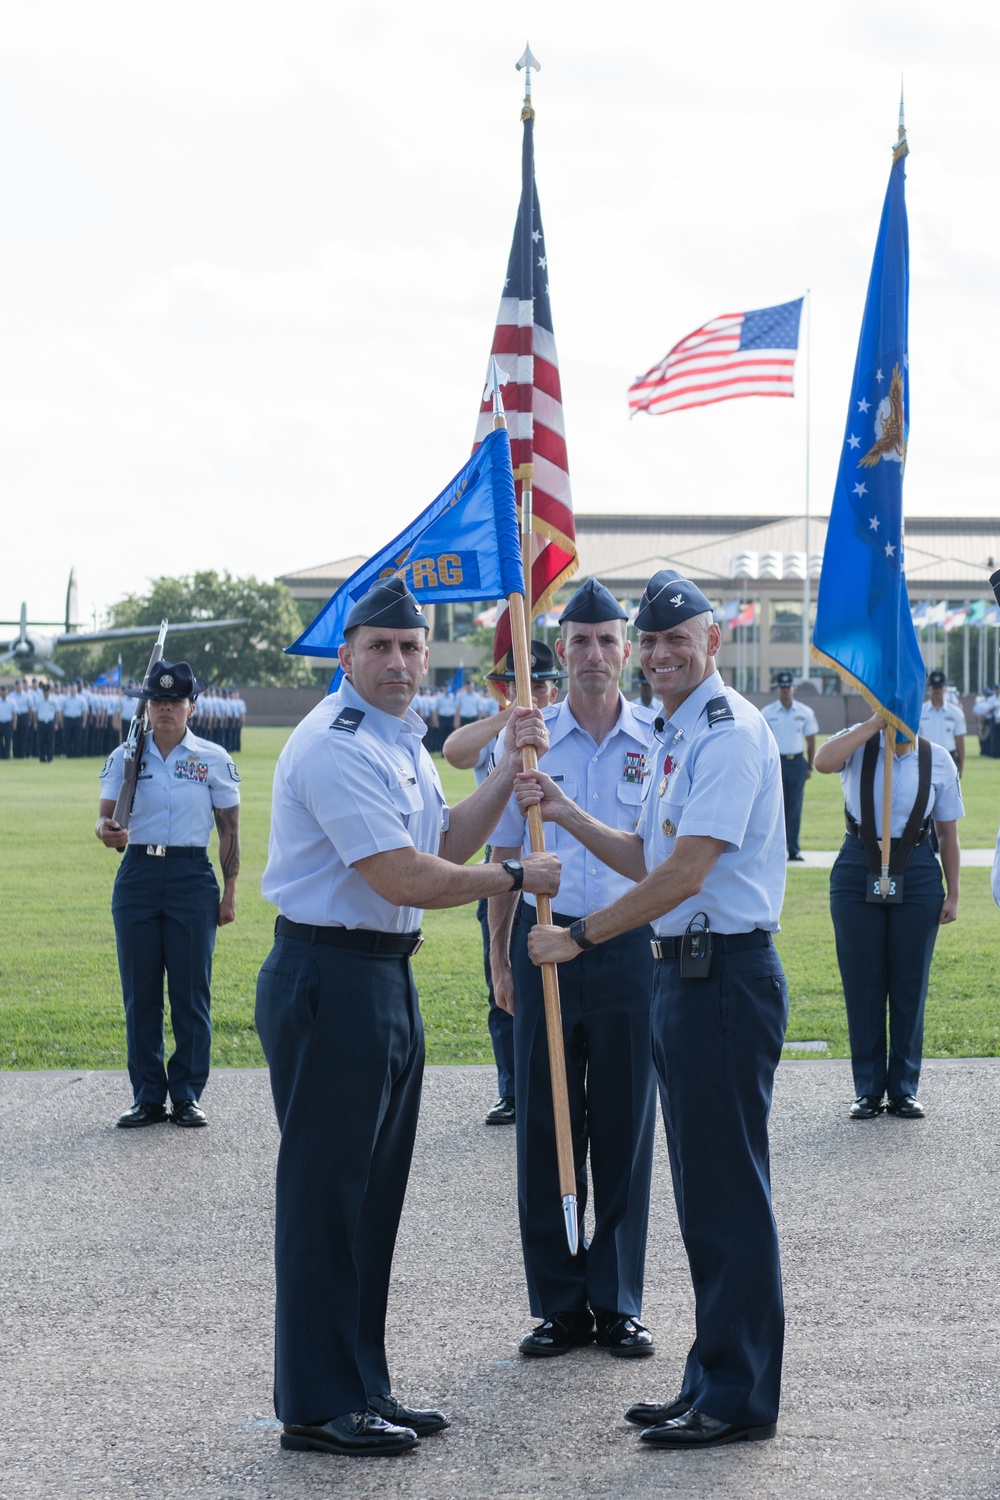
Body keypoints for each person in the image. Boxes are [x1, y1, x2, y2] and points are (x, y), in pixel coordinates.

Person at [254, 576, 559, 1461]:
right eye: (379, 648)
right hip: (329, 977)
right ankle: (316, 1403)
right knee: (325, 1199)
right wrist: (514, 881)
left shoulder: (405, 741)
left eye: (410, 648)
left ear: (428, 656)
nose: (397, 662)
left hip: (381, 978)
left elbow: (445, 842)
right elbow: (404, 879)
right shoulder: (337, 744)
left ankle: (361, 1382)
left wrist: (507, 771)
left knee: (369, 1200)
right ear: (345, 656)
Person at [520, 569, 789, 1447]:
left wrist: (581, 937)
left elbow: (686, 874)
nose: (663, 653)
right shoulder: (677, 736)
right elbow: (647, 853)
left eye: (681, 639)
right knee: (703, 1194)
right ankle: (709, 1376)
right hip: (686, 977)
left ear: (714, 642)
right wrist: (565, 811)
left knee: (728, 1196)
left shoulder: (727, 732)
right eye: (654, 640)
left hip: (723, 977)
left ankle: (738, 1395)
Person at [489, 578, 658, 1361]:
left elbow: (662, 858)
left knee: (622, 1126)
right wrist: (500, 959)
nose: (594, 655)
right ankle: (559, 1305)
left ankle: (617, 1300)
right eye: (580, 641)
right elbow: (499, 859)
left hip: (625, 947)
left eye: (607, 641)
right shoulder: (527, 739)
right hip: (543, 941)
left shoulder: (657, 741)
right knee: (546, 1129)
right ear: (561, 651)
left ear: (627, 652)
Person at [95, 660, 241, 1130]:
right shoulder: (125, 757)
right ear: (147, 706)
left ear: (190, 707)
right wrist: (108, 832)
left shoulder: (213, 759)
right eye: (157, 701)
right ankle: (148, 1097)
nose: (165, 709)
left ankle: (187, 1095)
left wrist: (230, 892)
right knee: (140, 994)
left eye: (174, 701)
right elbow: (103, 819)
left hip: (191, 875)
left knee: (190, 991)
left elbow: (230, 831)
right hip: (137, 872)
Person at [814, 715, 962, 1120]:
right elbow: (822, 762)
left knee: (910, 984)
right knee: (862, 982)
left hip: (916, 869)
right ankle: (867, 1089)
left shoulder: (938, 758)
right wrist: (872, 726)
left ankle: (903, 1089)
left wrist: (954, 892)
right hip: (856, 864)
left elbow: (947, 833)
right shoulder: (856, 747)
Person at [443, 640, 564, 1126]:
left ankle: (549, 1083)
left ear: (555, 687)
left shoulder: (566, 728)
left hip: (552, 881)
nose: (534, 692)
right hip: (502, 875)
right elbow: (453, 750)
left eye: (542, 684)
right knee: (504, 983)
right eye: (522, 684)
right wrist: (511, 719)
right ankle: (510, 1088)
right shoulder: (497, 731)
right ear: (507, 688)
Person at [761, 671, 818, 861]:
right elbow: (763, 742)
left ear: (793, 688)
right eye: (782, 687)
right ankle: (773, 850)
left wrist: (810, 765)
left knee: (794, 808)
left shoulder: (805, 712)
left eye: (788, 687)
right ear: (778, 689)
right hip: (776, 763)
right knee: (774, 808)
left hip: (796, 762)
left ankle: (793, 849)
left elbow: (811, 740)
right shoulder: (767, 713)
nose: (785, 691)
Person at [920, 670, 965, 776]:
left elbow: (960, 741)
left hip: (949, 757)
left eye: (940, 687)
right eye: (934, 687)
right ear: (929, 688)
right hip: (927, 757)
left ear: (945, 688)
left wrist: (961, 765)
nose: (937, 690)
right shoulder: (920, 712)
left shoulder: (956, 712)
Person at [35, 683, 60, 762]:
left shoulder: (54, 700)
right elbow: (36, 713)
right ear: (43, 692)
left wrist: (56, 723)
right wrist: (35, 723)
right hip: (41, 722)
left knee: (50, 741)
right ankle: (42, 758)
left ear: (50, 691)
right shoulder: (38, 700)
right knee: (41, 741)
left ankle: (50, 758)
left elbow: (58, 712)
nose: (46, 693)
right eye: (44, 691)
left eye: (47, 691)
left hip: (50, 722)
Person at [0, 684, 15, 759]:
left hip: (8, 723)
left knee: (8, 740)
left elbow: (14, 713)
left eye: (4, 691)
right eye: (2, 692)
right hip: (0, 723)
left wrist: (14, 723)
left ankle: (7, 755)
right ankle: (1, 755)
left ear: (7, 692)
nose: (3, 693)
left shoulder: (11, 702)